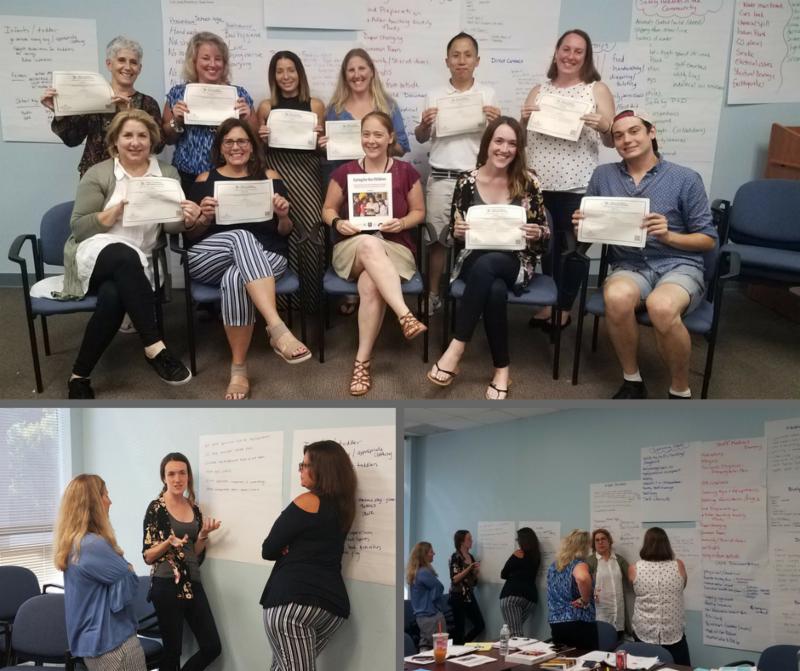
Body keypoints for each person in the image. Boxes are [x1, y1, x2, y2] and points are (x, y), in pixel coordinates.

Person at [572, 109, 717, 399]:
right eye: (618, 136)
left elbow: (708, 240)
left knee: (661, 306)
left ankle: (680, 390)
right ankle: (632, 380)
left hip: (678, 264)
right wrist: (583, 225)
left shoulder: (685, 178)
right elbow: (590, 230)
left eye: (634, 131)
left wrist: (668, 235)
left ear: (652, 132)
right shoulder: (604, 175)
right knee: (616, 297)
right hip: (629, 265)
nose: (626, 140)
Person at [59, 109, 196, 399]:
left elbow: (171, 227)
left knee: (113, 295)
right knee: (123, 255)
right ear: (115, 141)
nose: (135, 142)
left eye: (142, 135)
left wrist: (187, 218)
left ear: (152, 140)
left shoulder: (167, 174)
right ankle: (154, 346)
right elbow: (78, 228)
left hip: (141, 263)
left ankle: (79, 376)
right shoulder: (99, 173)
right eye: (128, 135)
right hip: (95, 255)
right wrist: (108, 216)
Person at [427, 116, 549, 400]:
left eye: (512, 144)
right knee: (492, 287)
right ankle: (501, 370)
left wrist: (536, 233)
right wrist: (458, 231)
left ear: (519, 148)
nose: (504, 149)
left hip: (515, 261)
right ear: (487, 143)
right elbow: (457, 233)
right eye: (499, 141)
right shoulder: (466, 181)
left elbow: (545, 233)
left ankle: (456, 348)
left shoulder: (528, 182)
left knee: (490, 265)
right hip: (474, 259)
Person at [188, 118, 310, 400]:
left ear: (253, 146)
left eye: (242, 141)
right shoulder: (204, 180)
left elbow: (285, 232)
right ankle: (277, 328)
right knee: (240, 236)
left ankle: (239, 370)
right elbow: (190, 234)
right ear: (220, 148)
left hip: (267, 257)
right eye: (229, 142)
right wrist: (203, 218)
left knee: (235, 278)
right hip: (210, 257)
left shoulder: (270, 178)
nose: (236, 147)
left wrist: (283, 216)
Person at [321, 111, 427, 396]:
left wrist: (401, 223)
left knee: (370, 283)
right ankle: (404, 314)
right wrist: (337, 222)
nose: (371, 140)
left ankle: (362, 362)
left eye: (378, 134)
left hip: (395, 247)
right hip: (353, 247)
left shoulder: (406, 172)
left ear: (390, 137)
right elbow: (327, 209)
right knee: (369, 244)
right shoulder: (344, 172)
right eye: (366, 134)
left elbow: (419, 212)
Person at [522, 29, 615, 331]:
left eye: (578, 51)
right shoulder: (539, 90)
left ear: (586, 58)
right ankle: (549, 303)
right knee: (546, 248)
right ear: (556, 51)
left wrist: (605, 126)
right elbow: (521, 139)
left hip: (578, 185)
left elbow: (613, 141)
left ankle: (563, 308)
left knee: (572, 251)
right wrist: (523, 120)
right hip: (539, 186)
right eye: (566, 49)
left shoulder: (596, 90)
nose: (570, 56)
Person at [320, 48, 411, 316]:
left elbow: (402, 146)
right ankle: (354, 291)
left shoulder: (388, 105)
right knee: (348, 232)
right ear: (345, 75)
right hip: (345, 183)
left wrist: (377, 143)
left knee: (379, 235)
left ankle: (374, 292)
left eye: (362, 68)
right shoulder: (334, 109)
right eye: (351, 70)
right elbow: (325, 154)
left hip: (381, 183)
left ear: (371, 71)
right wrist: (324, 145)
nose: (357, 74)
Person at [415, 31, 500, 316]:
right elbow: (421, 137)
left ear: (477, 60)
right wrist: (424, 124)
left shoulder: (487, 94)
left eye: (467, 55)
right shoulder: (434, 95)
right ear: (447, 61)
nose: (461, 60)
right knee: (437, 240)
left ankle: (472, 294)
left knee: (476, 239)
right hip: (441, 177)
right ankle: (433, 294)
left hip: (476, 179)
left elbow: (496, 139)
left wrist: (496, 122)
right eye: (455, 55)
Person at [260, 440, 357, 671]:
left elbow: (269, 549)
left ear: (323, 470)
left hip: (292, 606)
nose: (301, 470)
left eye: (305, 465)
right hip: (332, 607)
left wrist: (287, 546)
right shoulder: (344, 507)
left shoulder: (307, 501)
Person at [256, 51, 326, 313]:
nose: (286, 76)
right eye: (280, 71)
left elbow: (321, 149)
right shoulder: (266, 107)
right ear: (273, 76)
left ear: (300, 73)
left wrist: (321, 140)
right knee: (281, 229)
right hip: (277, 170)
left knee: (311, 229)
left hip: (307, 171)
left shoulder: (316, 105)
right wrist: (262, 138)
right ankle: (283, 301)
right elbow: (259, 152)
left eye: (291, 70)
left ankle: (311, 299)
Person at [55, 474, 146, 671]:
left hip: (95, 646)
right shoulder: (92, 545)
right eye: (105, 495)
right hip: (115, 647)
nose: (110, 501)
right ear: (94, 503)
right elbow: (129, 583)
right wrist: (127, 568)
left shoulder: (74, 543)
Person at [142, 453, 222, 671]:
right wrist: (168, 542)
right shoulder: (156, 508)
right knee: (172, 652)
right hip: (166, 584)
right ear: (164, 478)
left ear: (188, 477)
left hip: (193, 582)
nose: (177, 479)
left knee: (212, 647)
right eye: (171, 474)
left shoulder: (194, 508)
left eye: (182, 473)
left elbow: (193, 553)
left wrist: (203, 535)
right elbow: (148, 556)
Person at [41, 36, 163, 178]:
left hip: (133, 176)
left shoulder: (148, 104)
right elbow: (72, 140)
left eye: (134, 62)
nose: (128, 67)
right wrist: (59, 111)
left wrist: (128, 113)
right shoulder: (91, 98)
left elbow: (158, 146)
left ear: (139, 69)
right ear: (109, 64)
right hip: (94, 177)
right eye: (121, 60)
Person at [163, 32, 256, 192]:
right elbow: (167, 139)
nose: (212, 64)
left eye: (218, 59)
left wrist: (246, 118)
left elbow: (257, 140)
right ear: (193, 61)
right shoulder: (178, 93)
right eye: (206, 58)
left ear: (224, 63)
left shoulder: (239, 94)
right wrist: (176, 121)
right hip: (187, 175)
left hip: (230, 174)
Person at [629, 527, 690, 666]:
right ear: (666, 545)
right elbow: (682, 587)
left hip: (644, 632)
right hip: (673, 633)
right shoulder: (679, 565)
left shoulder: (634, 569)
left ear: (646, 544)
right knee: (679, 668)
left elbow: (635, 590)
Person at [546, 529, 597, 650]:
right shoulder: (578, 564)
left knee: (563, 657)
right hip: (577, 620)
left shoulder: (554, 566)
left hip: (556, 620)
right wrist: (585, 599)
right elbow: (582, 578)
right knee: (583, 658)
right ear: (583, 546)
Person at [586, 528, 629, 639]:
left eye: (603, 539)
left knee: (618, 643)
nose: (600, 542)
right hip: (600, 612)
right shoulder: (590, 561)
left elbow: (632, 577)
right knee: (602, 643)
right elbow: (584, 584)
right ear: (594, 544)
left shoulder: (619, 560)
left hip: (618, 611)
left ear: (609, 541)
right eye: (597, 540)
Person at [500, 526, 541, 638]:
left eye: (518, 539)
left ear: (522, 541)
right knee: (511, 629)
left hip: (512, 597)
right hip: (530, 599)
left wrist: (513, 572)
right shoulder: (536, 556)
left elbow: (503, 574)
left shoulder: (518, 554)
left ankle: (515, 650)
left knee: (515, 633)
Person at [406, 542, 447, 651]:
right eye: (431, 552)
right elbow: (439, 587)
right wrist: (434, 604)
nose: (434, 553)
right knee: (439, 648)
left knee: (425, 645)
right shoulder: (423, 572)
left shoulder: (416, 572)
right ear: (424, 554)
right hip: (431, 616)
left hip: (422, 617)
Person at [448, 529, 485, 644]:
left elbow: (473, 582)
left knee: (480, 625)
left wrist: (475, 573)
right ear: (461, 542)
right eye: (469, 539)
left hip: (469, 595)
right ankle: (459, 647)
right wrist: (469, 568)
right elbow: (455, 579)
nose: (471, 541)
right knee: (459, 629)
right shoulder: (456, 557)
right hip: (457, 596)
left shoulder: (471, 557)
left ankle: (463, 645)